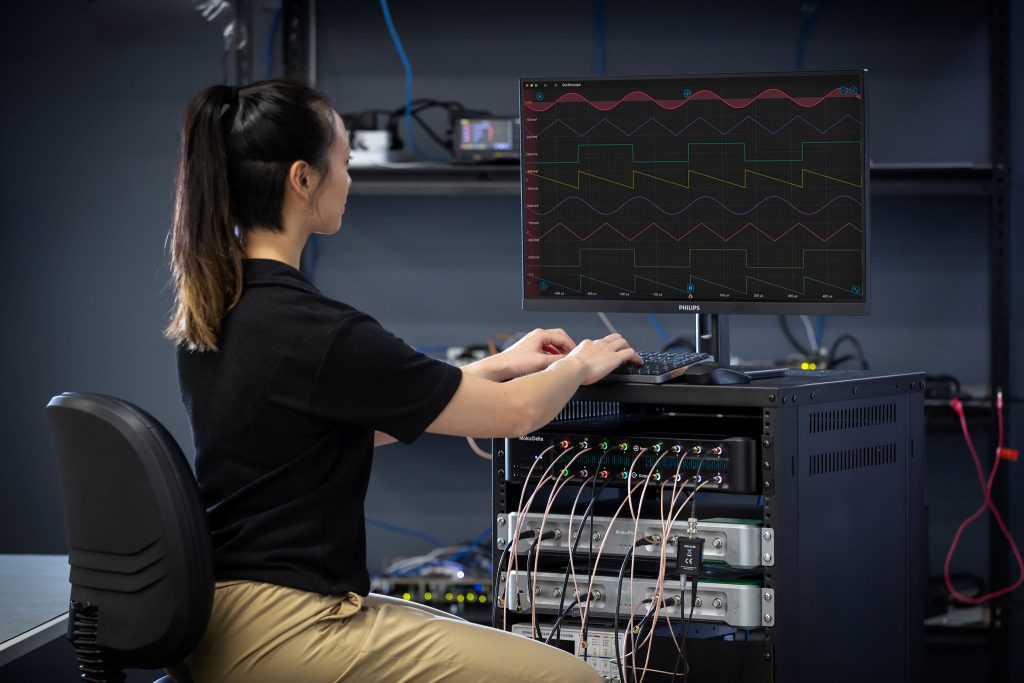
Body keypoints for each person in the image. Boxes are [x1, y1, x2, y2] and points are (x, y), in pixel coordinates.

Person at [164, 78, 641, 683]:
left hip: (220, 616)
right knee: (572, 678)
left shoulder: (219, 308)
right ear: (301, 179)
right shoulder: (315, 329)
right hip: (287, 625)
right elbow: (517, 415)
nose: (351, 178)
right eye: (343, 160)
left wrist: (493, 366)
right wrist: (579, 364)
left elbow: (327, 436)